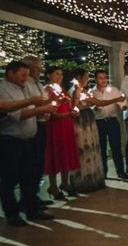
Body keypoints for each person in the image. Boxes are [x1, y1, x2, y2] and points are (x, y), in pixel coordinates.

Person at [0, 61, 57, 226]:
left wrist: (42, 113)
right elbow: (16, 114)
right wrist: (39, 109)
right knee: (9, 180)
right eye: (23, 75)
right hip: (10, 140)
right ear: (10, 73)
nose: (26, 78)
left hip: (28, 139)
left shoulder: (23, 88)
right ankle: (12, 214)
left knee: (29, 177)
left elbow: (31, 110)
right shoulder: (3, 89)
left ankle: (32, 209)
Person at [43, 66, 80, 200]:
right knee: (55, 154)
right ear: (48, 75)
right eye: (57, 74)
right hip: (55, 126)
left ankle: (65, 183)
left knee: (66, 153)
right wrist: (68, 113)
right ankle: (53, 186)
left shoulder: (62, 90)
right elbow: (51, 112)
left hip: (66, 125)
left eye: (61, 74)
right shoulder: (47, 90)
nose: (60, 77)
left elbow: (71, 105)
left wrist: (76, 95)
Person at [68, 68, 106, 193]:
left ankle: (94, 177)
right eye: (86, 77)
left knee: (92, 147)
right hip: (81, 122)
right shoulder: (74, 90)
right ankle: (83, 181)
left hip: (88, 119)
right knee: (83, 148)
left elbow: (91, 102)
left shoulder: (84, 90)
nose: (87, 80)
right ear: (79, 78)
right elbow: (74, 106)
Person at [91, 70, 128, 180]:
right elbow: (89, 106)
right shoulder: (92, 92)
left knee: (116, 147)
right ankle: (103, 172)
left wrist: (123, 106)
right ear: (95, 79)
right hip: (99, 122)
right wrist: (94, 108)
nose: (103, 80)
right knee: (101, 148)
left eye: (104, 77)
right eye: (100, 78)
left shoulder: (113, 90)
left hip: (112, 121)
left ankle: (121, 171)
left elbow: (122, 101)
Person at [23, 56, 50, 205]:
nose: (40, 71)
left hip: (41, 125)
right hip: (30, 126)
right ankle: (28, 199)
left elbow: (43, 101)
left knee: (39, 163)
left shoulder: (38, 84)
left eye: (40, 68)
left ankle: (34, 196)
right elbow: (27, 105)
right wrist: (40, 110)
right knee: (30, 165)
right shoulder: (25, 84)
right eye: (37, 68)